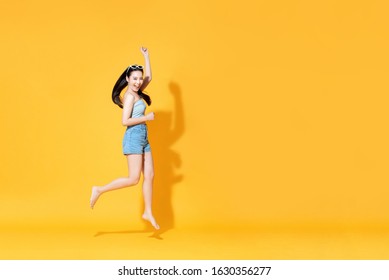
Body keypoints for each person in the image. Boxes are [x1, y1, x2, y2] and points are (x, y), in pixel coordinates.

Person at [90, 47, 159, 230]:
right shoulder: (129, 96)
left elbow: (149, 77)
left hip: (143, 136)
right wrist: (146, 118)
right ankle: (99, 190)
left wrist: (146, 56)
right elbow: (124, 121)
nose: (137, 82)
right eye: (134, 78)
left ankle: (148, 212)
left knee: (150, 175)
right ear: (127, 79)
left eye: (139, 78)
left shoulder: (137, 91)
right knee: (133, 179)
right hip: (133, 137)